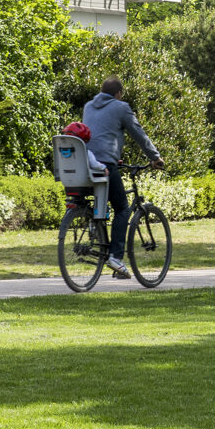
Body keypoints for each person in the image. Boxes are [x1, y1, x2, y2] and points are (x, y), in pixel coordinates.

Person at [82, 76, 164, 278]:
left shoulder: (88, 106)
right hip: (106, 165)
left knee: (103, 201)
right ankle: (116, 258)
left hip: (85, 163)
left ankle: (94, 224)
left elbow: (99, 134)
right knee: (122, 208)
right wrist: (155, 157)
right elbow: (138, 133)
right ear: (118, 94)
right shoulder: (121, 107)